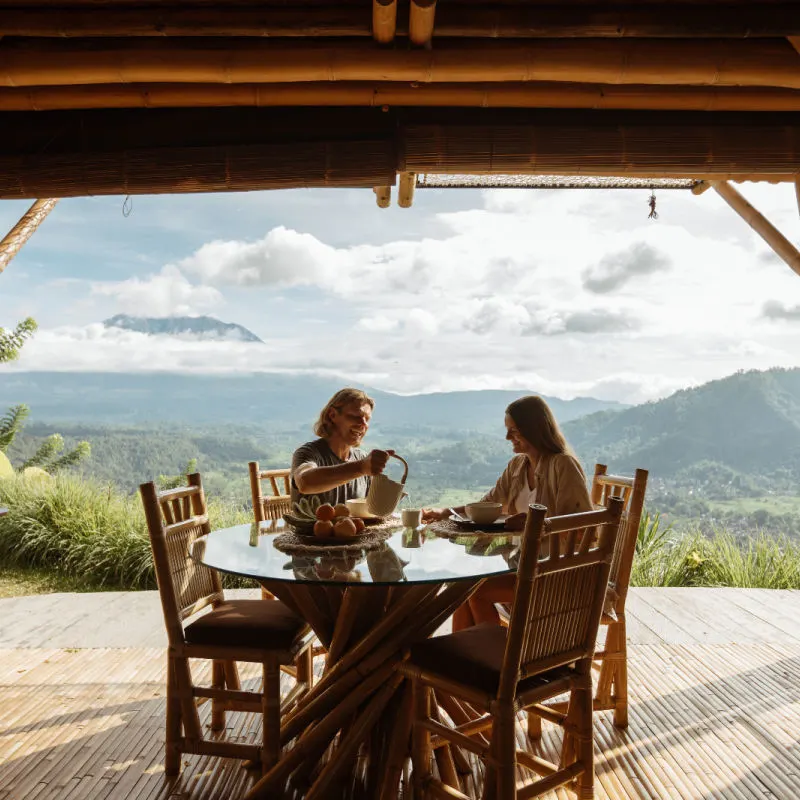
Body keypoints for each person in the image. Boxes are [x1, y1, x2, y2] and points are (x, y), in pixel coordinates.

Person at [422, 395, 592, 630]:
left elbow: (581, 526)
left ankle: (497, 658)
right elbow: (489, 504)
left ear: (533, 428)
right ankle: (468, 661)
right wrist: (447, 512)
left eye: (513, 431)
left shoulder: (563, 465)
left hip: (556, 573)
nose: (507, 437)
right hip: (522, 565)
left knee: (474, 591)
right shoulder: (518, 466)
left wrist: (534, 523)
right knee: (460, 589)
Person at [291, 387, 394, 509]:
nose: (364, 424)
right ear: (332, 415)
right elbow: (304, 483)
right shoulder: (308, 453)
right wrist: (361, 467)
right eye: (356, 416)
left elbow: (371, 508)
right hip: (311, 529)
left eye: (367, 419)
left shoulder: (361, 457)